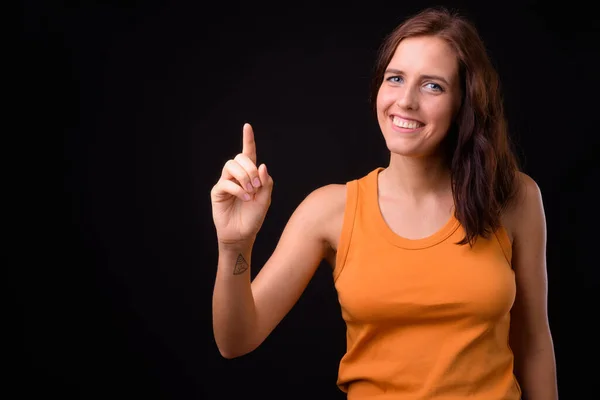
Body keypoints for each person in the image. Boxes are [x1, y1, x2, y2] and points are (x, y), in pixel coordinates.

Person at [210, 7, 558, 399]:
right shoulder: (329, 211)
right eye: (396, 79)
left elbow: (533, 345)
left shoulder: (514, 198)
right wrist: (233, 245)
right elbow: (235, 340)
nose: (406, 101)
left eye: (433, 86)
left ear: (465, 103)